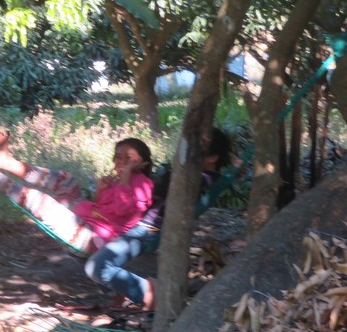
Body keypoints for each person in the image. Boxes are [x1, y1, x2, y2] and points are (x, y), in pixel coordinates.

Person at [84, 127, 242, 311]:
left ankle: (154, 296)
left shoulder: (197, 178)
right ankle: (136, 291)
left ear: (212, 158)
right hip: (140, 224)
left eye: (195, 149)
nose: (186, 152)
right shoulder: (201, 175)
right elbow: (236, 164)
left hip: (149, 228)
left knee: (97, 267)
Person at [0, 131, 154, 255]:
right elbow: (103, 209)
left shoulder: (143, 185)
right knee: (66, 180)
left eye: (129, 158)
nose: (122, 162)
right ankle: (6, 162)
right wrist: (101, 190)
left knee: (39, 200)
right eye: (118, 157)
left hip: (93, 239)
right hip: (85, 218)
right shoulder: (119, 181)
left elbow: (122, 210)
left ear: (142, 163)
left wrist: (125, 176)